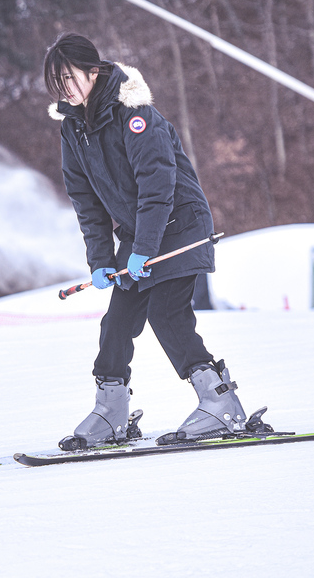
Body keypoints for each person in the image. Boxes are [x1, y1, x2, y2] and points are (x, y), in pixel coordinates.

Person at [44, 33, 252, 450]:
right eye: (57, 82)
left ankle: (221, 404)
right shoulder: (73, 131)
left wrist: (144, 249)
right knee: (117, 323)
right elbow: (87, 204)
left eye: (70, 77)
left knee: (167, 313)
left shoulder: (135, 115)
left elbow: (157, 187)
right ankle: (111, 412)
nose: (65, 88)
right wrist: (101, 260)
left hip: (179, 227)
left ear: (93, 70)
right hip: (139, 235)